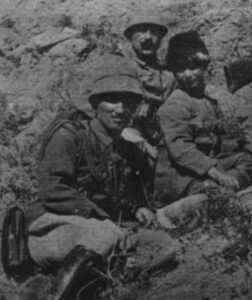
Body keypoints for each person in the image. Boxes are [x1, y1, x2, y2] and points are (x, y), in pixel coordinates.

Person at [24, 54, 159, 299]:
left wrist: (137, 206)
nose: (121, 110)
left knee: (156, 244)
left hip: (89, 229)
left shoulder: (120, 146)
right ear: (95, 104)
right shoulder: (69, 135)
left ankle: (79, 283)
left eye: (128, 103)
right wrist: (101, 217)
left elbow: (115, 191)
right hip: (49, 227)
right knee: (107, 235)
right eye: (112, 101)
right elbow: (53, 190)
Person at [153, 31, 252, 227]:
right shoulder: (174, 105)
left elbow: (219, 136)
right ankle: (170, 212)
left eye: (193, 67)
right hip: (179, 179)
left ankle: (221, 190)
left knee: (251, 161)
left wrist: (242, 145)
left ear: (204, 66)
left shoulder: (208, 102)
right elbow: (181, 150)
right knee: (215, 193)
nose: (187, 75)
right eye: (180, 69)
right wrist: (216, 173)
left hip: (204, 168)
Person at [123, 5, 177, 145]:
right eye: (141, 31)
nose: (147, 37)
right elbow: (88, 105)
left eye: (153, 32)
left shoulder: (170, 77)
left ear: (161, 38)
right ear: (130, 36)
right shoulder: (118, 67)